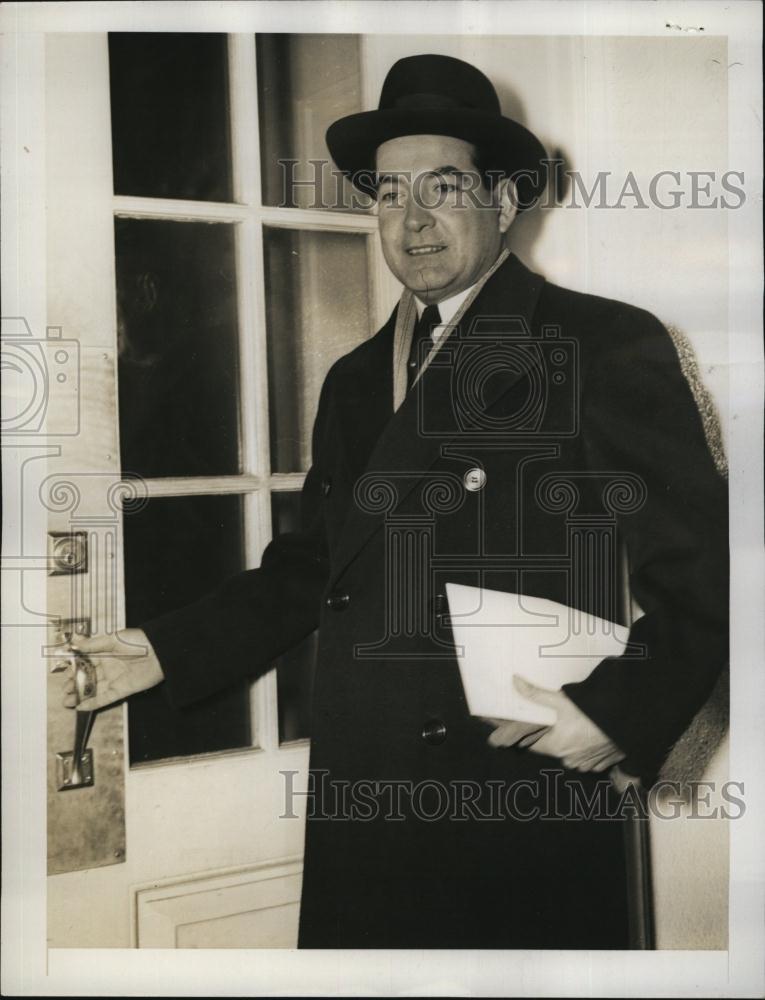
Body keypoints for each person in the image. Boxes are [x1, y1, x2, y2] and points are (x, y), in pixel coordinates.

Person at [64, 54, 728, 949]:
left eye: (443, 186)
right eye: (387, 192)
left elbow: (712, 575)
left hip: (513, 801)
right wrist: (159, 650)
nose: (411, 219)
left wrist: (618, 716)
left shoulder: (599, 343)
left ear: (501, 201)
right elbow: (312, 569)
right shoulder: (351, 381)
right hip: (364, 794)